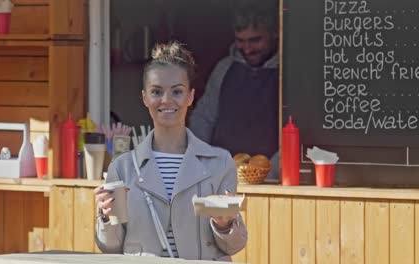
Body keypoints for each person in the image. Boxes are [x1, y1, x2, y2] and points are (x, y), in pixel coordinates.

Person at [94, 42, 247, 261]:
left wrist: (225, 225)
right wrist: (106, 217)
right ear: (145, 97)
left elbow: (234, 246)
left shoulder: (220, 163)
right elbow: (110, 247)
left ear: (191, 97)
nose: (166, 100)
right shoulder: (122, 167)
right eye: (156, 91)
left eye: (177, 91)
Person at [189, 1, 280, 179]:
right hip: (219, 176)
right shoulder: (224, 69)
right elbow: (203, 119)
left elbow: (297, 134)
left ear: (275, 33)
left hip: (271, 181)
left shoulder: (288, 73)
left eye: (255, 40)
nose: (247, 48)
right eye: (241, 41)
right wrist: (202, 164)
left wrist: (268, 174)